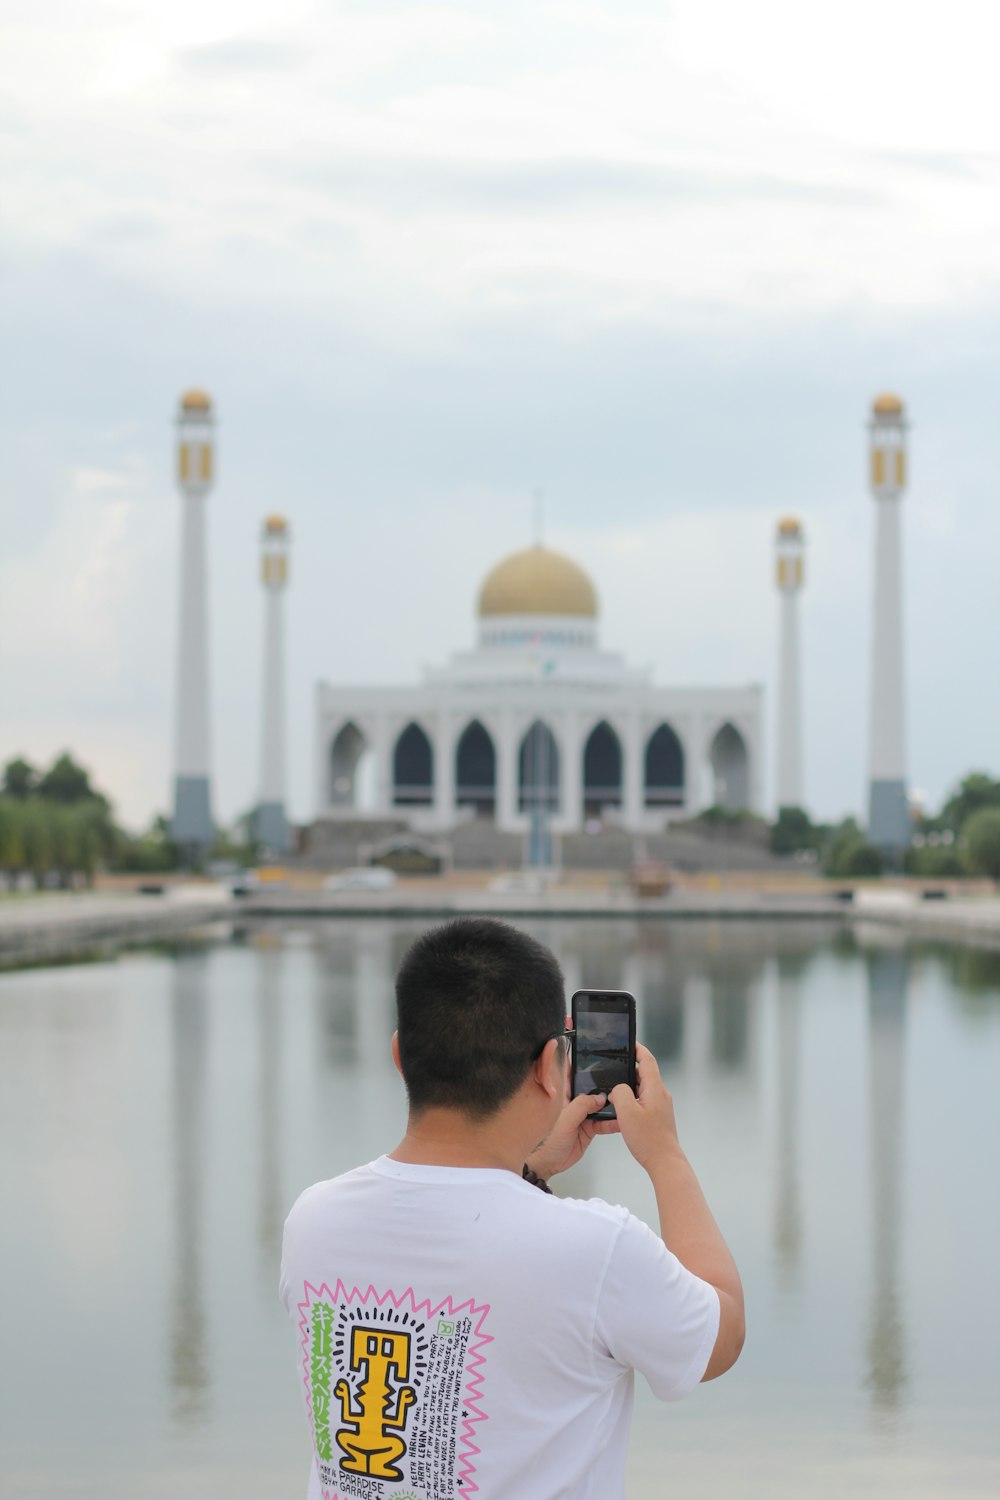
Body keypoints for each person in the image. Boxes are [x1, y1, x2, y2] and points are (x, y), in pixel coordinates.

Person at [280, 917, 744, 1500]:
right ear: (551, 1066)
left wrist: (528, 1175)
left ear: (399, 1055)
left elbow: (470, 1237)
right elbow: (717, 1339)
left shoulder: (315, 1220)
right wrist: (666, 1156)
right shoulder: (594, 1248)